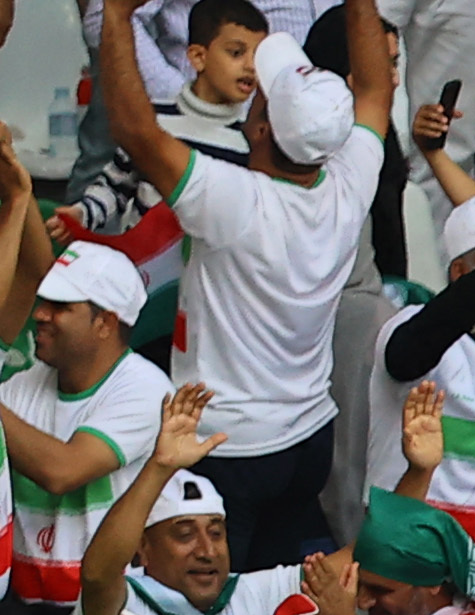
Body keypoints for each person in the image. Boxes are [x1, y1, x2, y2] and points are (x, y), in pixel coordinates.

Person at [92, 0, 395, 560]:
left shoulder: (232, 200)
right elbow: (377, 90)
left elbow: (134, 129)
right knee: (275, 608)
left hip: (232, 447)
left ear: (257, 129)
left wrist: (115, 16)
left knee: (216, 608)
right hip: (310, 440)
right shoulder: (350, 182)